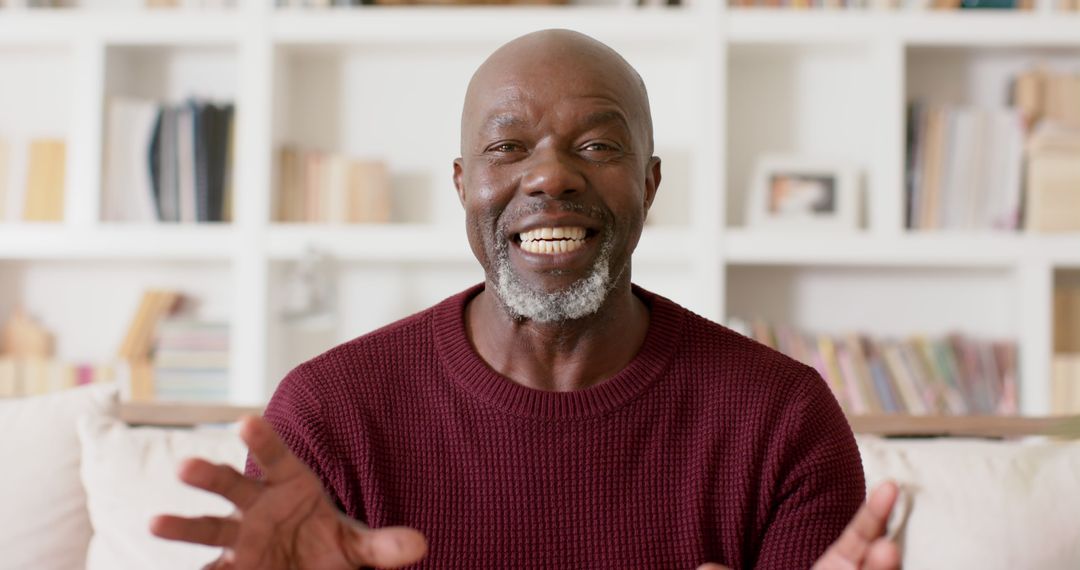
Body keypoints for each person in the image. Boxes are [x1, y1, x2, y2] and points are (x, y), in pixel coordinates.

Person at [151, 29, 902, 569]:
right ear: (460, 184)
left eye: (598, 146)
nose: (550, 177)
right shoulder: (328, 417)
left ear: (649, 183)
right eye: (508, 147)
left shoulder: (783, 421)